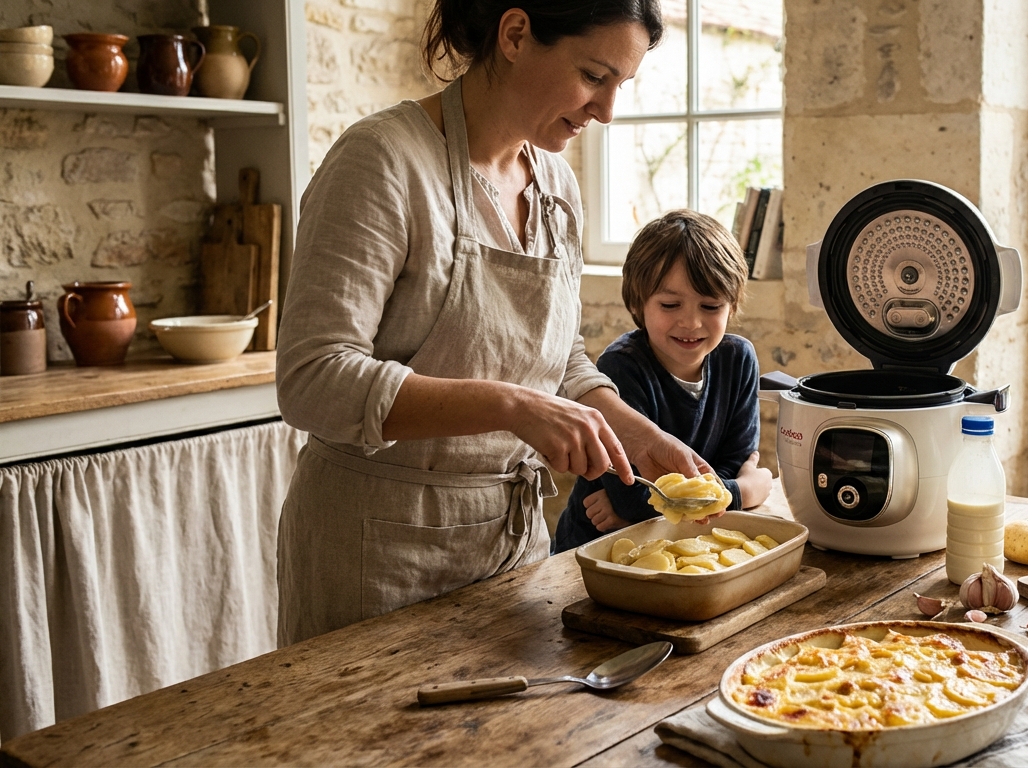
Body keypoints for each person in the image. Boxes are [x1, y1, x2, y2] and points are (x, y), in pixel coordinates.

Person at [274, 0, 707, 646]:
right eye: (594, 76)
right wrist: (512, 406)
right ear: (514, 33)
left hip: (509, 550)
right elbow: (312, 378)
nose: (607, 112)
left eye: (621, 85)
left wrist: (637, 434)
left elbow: (558, 360)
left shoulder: (557, 186)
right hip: (376, 555)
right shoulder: (383, 162)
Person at [553, 210, 775, 553]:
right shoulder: (621, 366)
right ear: (638, 303)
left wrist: (665, 507)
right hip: (597, 547)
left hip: (683, 545)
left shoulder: (738, 358)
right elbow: (631, 497)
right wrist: (744, 491)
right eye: (670, 304)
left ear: (731, 307)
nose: (691, 322)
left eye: (711, 306)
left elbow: (738, 458)